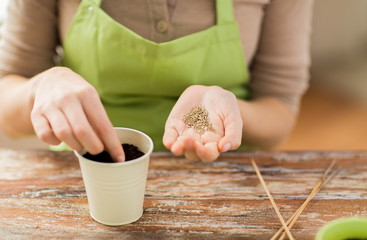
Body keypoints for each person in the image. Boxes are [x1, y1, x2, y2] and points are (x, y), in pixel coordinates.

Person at [0, 0, 313, 162]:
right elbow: (7, 104)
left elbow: (280, 109)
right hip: (84, 172)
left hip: (224, 175)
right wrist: (40, 87)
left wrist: (231, 114)